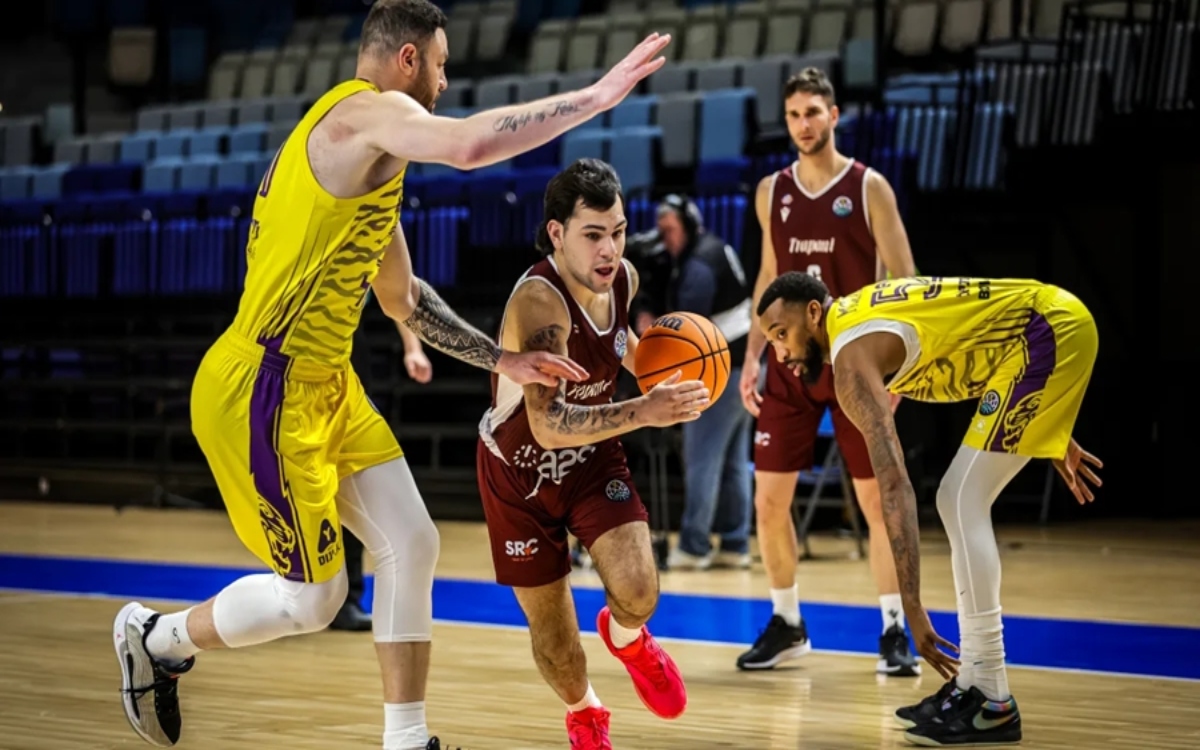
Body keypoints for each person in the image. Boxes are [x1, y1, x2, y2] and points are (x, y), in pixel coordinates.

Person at [109, 1, 673, 747]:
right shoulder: (358, 117)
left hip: (327, 382)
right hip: (263, 389)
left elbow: (403, 299)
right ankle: (158, 638)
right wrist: (595, 98)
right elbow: (469, 145)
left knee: (412, 540)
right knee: (315, 601)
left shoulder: (373, 165)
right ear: (407, 60)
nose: (444, 82)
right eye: (439, 65)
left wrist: (503, 359)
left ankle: (406, 739)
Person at [756, 271, 1101, 746]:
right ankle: (975, 685)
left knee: (961, 498)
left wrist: (912, 607)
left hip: (1047, 330)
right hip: (1043, 331)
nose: (780, 354)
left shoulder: (851, 363)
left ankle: (992, 699)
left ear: (813, 313)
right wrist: (1045, 418)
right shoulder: (857, 311)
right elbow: (972, 324)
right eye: (772, 342)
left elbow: (894, 484)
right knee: (957, 497)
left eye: (781, 334)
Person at [476, 159, 709, 749]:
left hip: (591, 459)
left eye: (619, 232)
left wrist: (664, 369)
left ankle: (628, 639)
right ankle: (585, 712)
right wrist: (645, 410)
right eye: (593, 235)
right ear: (557, 233)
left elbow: (619, 342)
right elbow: (548, 423)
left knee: (639, 591)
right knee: (558, 647)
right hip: (519, 473)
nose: (610, 250)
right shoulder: (539, 302)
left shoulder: (622, 278)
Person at [737, 66, 920, 675]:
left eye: (812, 112)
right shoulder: (772, 191)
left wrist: (897, 372)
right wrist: (752, 357)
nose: (803, 124)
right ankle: (787, 622)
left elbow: (905, 282)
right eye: (793, 115)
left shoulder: (869, 188)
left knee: (876, 500)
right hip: (790, 363)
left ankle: (894, 628)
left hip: (853, 363)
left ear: (834, 115)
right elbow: (768, 279)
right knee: (768, 501)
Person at [639, 194, 754, 570]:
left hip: (721, 371)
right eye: (661, 231)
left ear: (688, 226)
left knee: (701, 458)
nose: (665, 239)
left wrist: (653, 330)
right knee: (733, 461)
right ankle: (735, 543)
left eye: (670, 230)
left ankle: (694, 545)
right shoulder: (712, 248)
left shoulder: (699, 265)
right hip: (745, 367)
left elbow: (686, 327)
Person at [332, 302, 434, 633]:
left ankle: (346, 598)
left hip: (347, 351)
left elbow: (396, 293)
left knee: (349, 475)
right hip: (291, 354)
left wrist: (413, 348)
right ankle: (300, 589)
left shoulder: (366, 266)